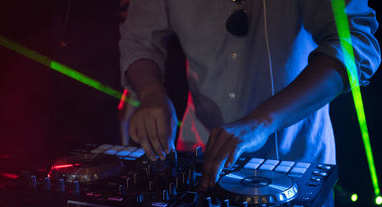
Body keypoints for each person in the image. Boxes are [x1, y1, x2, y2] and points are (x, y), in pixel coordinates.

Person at [119, 0, 380, 189]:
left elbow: (354, 42)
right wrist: (152, 92)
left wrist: (262, 121)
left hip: (296, 162)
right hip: (200, 157)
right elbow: (138, 40)